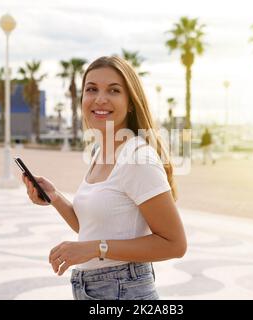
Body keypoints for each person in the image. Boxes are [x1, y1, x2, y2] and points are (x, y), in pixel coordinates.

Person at [22, 56, 186, 300]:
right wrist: (55, 198)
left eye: (114, 90)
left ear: (130, 102)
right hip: (94, 289)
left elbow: (175, 244)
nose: (100, 99)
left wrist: (94, 248)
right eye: (91, 89)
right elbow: (92, 228)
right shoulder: (102, 151)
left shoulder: (137, 158)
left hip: (123, 290)